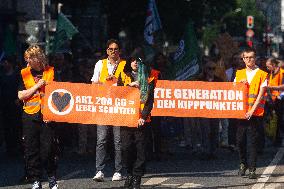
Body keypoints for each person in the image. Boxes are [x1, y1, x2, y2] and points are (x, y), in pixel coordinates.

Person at [18, 45, 58, 189]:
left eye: (30, 57)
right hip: (29, 115)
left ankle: (52, 176)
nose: (27, 60)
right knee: (31, 149)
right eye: (26, 57)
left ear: (38, 57)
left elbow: (61, 92)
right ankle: (35, 179)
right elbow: (20, 95)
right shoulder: (24, 73)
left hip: (48, 115)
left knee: (48, 149)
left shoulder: (51, 71)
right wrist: (36, 86)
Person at [118, 53, 159, 189]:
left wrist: (143, 116)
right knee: (126, 148)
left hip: (141, 119)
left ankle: (137, 177)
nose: (135, 62)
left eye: (138, 60)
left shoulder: (149, 78)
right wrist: (129, 86)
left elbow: (150, 100)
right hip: (126, 118)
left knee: (141, 149)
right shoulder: (123, 76)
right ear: (129, 62)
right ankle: (129, 173)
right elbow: (117, 95)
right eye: (132, 60)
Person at [91, 39, 126, 182]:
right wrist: (104, 82)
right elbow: (93, 83)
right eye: (110, 49)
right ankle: (99, 170)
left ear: (119, 51)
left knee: (118, 141)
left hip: (118, 106)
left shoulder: (124, 65)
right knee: (101, 139)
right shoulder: (100, 64)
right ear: (107, 51)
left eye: (116, 49)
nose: (113, 51)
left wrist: (117, 82)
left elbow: (128, 83)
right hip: (104, 106)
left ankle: (118, 171)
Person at [235, 47, 268, 179]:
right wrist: (239, 85)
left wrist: (252, 110)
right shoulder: (239, 73)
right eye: (246, 57)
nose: (249, 60)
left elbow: (261, 94)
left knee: (253, 141)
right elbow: (233, 91)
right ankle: (243, 163)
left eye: (251, 57)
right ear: (243, 59)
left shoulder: (262, 74)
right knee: (240, 140)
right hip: (241, 113)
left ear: (255, 58)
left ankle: (252, 169)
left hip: (255, 114)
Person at [197, 59, 223, 160]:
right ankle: (205, 150)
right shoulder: (199, 80)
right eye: (209, 68)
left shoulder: (219, 81)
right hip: (203, 110)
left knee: (214, 130)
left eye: (213, 68)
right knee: (205, 130)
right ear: (205, 69)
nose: (211, 70)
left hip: (215, 110)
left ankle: (213, 151)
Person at [265, 58, 284, 146]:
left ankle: (279, 138)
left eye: (268, 66)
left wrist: (272, 88)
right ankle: (276, 138)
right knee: (274, 119)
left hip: (281, 100)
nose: (267, 68)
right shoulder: (271, 74)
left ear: (273, 65)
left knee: (280, 120)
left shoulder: (282, 72)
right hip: (273, 101)